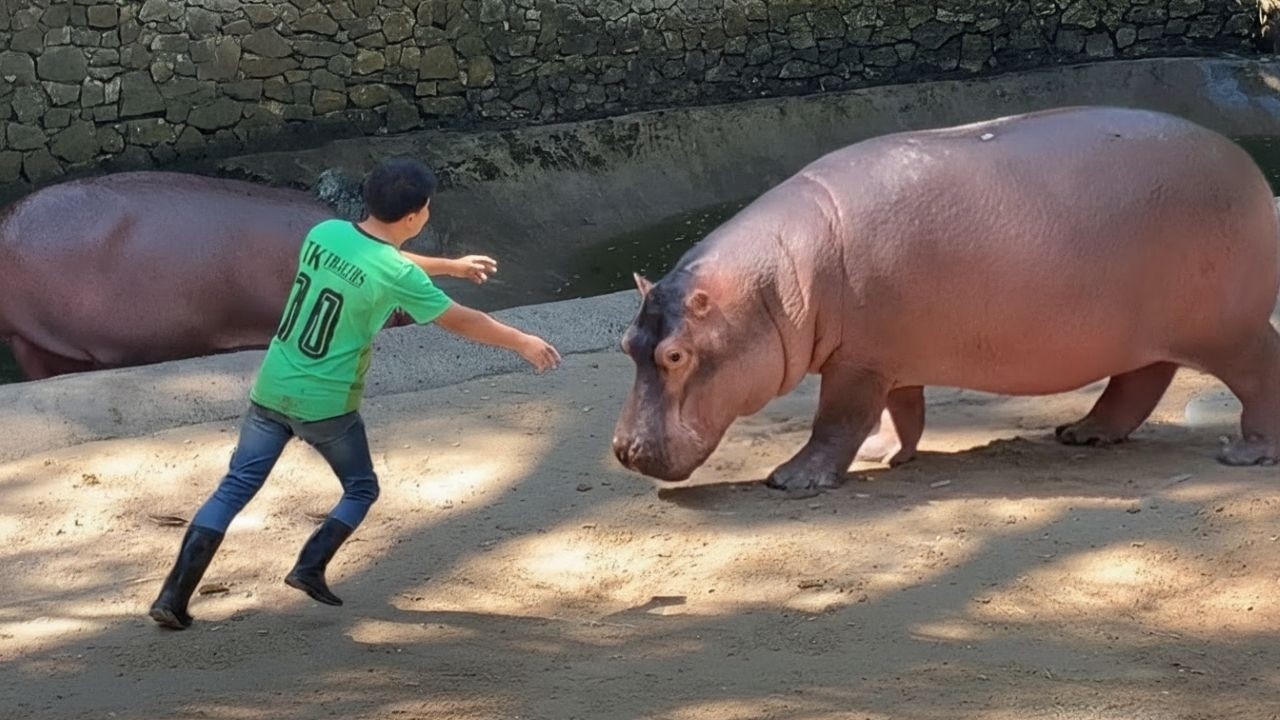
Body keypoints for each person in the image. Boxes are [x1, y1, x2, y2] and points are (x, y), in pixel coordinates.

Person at [149, 157, 561, 630]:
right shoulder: (397, 274)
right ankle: (309, 566)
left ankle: (173, 595)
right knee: (361, 488)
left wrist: (449, 266)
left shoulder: (324, 234)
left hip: (273, 385)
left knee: (234, 488)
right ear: (416, 215)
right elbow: (459, 317)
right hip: (327, 403)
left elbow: (378, 257)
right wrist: (522, 341)